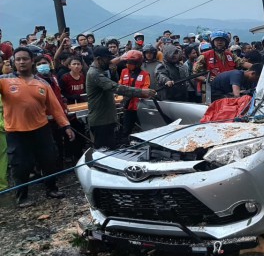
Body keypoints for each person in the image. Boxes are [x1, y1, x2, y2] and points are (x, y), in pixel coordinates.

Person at [0, 46, 75, 207]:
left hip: (41, 129)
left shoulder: (42, 83)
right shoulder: (4, 81)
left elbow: (56, 108)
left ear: (31, 61)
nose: (21, 62)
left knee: (49, 160)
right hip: (16, 132)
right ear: (13, 62)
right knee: (20, 166)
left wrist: (66, 126)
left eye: (25, 59)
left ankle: (52, 189)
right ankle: (22, 197)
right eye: (18, 59)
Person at [86, 46, 155, 149]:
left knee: (110, 148)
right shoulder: (94, 74)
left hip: (108, 118)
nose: (110, 62)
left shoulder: (99, 70)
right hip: (101, 120)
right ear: (99, 59)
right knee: (104, 152)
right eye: (107, 59)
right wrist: (141, 92)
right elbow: (116, 87)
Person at [119, 50, 151, 135]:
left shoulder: (145, 75)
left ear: (138, 63)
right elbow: (119, 86)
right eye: (127, 62)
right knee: (126, 130)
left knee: (145, 129)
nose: (128, 64)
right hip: (127, 107)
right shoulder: (123, 72)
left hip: (139, 107)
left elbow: (145, 90)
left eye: (131, 62)